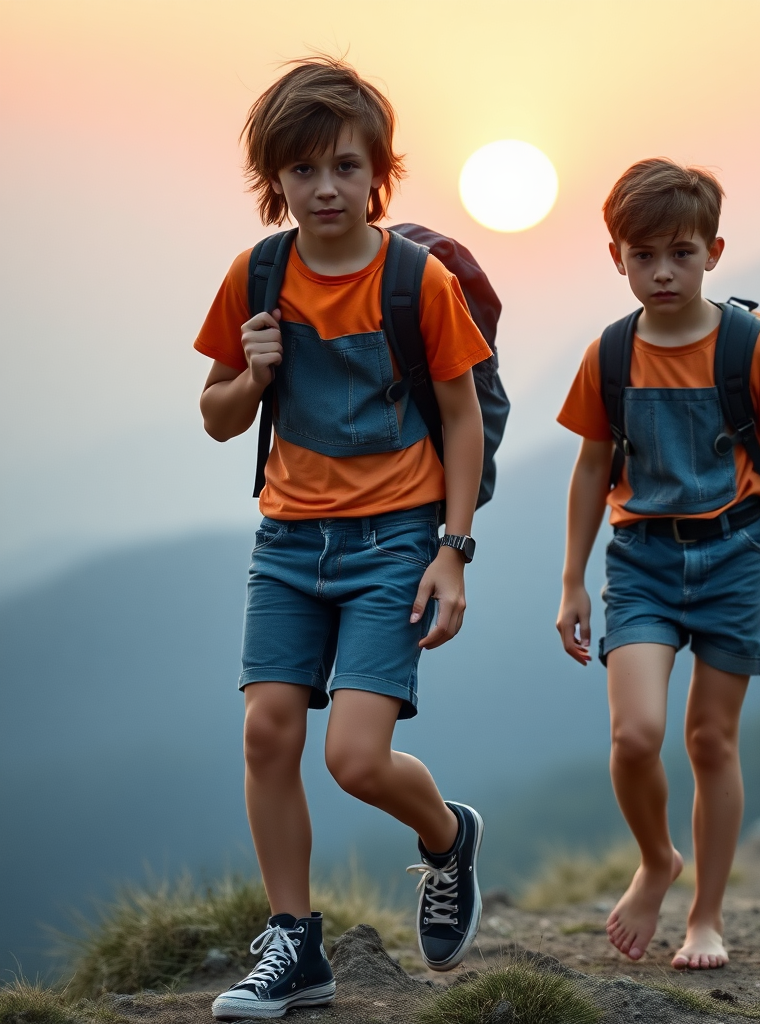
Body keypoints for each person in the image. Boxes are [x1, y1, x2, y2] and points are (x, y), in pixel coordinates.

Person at [194, 57, 490, 1019]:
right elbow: (218, 417)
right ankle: (296, 947)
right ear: (274, 179)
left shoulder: (417, 281)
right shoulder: (257, 275)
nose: (327, 188)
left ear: (380, 175)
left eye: (348, 168)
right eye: (306, 170)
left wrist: (454, 548)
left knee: (355, 759)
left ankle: (446, 840)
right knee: (268, 730)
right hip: (287, 541)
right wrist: (252, 371)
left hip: (396, 541)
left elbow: (461, 418)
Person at [555, 159, 760, 970]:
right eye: (643, 255)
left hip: (737, 555)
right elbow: (589, 467)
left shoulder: (748, 348)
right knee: (635, 733)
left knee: (711, 741)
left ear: (713, 250)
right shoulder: (609, 355)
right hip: (641, 558)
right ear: (617, 257)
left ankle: (705, 919)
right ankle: (657, 860)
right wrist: (573, 579)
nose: (662, 272)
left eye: (680, 253)